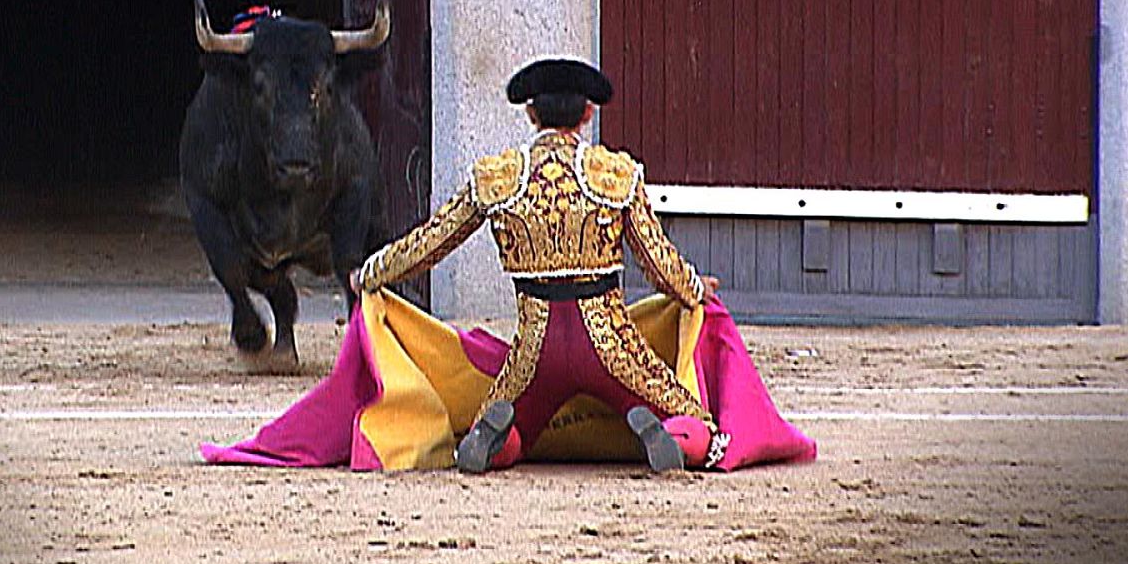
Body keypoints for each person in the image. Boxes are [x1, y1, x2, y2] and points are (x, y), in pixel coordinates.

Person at [201, 55, 815, 475]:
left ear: (530, 115)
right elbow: (660, 267)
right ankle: (675, 441)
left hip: (534, 351)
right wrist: (695, 289)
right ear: (587, 115)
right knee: (694, 415)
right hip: (611, 345)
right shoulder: (616, 175)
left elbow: (431, 243)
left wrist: (373, 272)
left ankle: (490, 445)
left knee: (513, 428)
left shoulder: (499, 178)